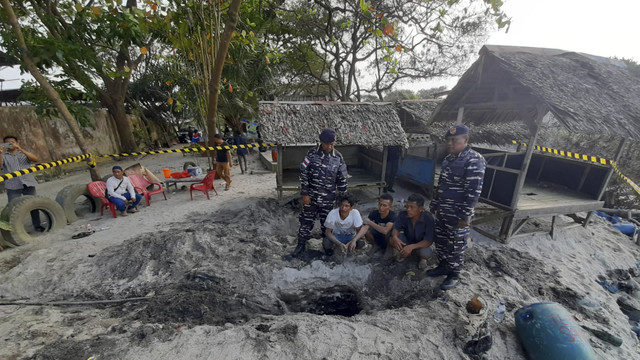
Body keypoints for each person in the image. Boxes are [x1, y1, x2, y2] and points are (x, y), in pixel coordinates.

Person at [428, 125, 486, 290]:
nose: (450, 144)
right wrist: (435, 203)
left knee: (456, 243)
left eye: (454, 140)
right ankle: (443, 266)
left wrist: (465, 216)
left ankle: (454, 273)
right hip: (443, 210)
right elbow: (441, 185)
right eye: (448, 140)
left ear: (466, 140)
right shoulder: (448, 160)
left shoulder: (474, 160)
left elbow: (473, 191)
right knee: (441, 240)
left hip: (458, 213)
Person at [291, 128, 348, 257]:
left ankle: (327, 246)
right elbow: (304, 173)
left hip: (328, 198)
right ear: (321, 142)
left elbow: (342, 179)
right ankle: (301, 245)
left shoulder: (338, 157)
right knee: (306, 221)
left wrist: (343, 199)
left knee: (327, 224)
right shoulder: (311, 154)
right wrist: (305, 193)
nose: (330, 146)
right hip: (311, 197)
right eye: (327, 144)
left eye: (332, 144)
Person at [0, 135, 44, 231]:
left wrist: (20, 149)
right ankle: (15, 230)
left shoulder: (23, 153)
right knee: (13, 208)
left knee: (33, 204)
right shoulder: (3, 156)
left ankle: (37, 226)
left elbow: (35, 159)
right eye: (8, 143)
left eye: (12, 142)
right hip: (12, 185)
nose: (11, 144)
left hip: (28, 182)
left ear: (17, 142)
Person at [390, 193, 435, 269]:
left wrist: (412, 247)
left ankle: (421, 258)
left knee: (426, 254)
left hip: (421, 245)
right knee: (391, 239)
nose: (408, 209)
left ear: (421, 209)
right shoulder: (403, 214)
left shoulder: (428, 219)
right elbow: (396, 228)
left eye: (412, 207)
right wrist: (395, 237)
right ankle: (404, 253)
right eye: (407, 206)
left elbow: (429, 241)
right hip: (408, 241)